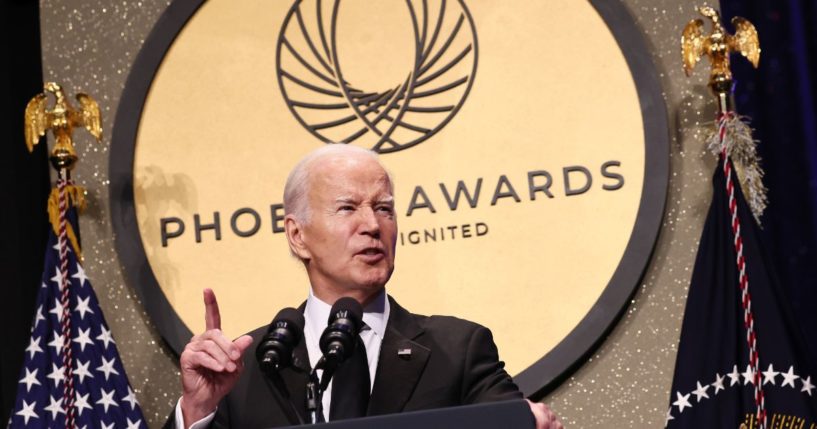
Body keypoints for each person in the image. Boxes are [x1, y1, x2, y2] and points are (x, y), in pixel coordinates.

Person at [168, 144, 563, 429]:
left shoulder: (458, 350)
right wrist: (197, 408)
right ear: (297, 235)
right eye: (347, 208)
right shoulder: (249, 368)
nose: (373, 225)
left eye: (384, 208)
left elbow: (514, 423)